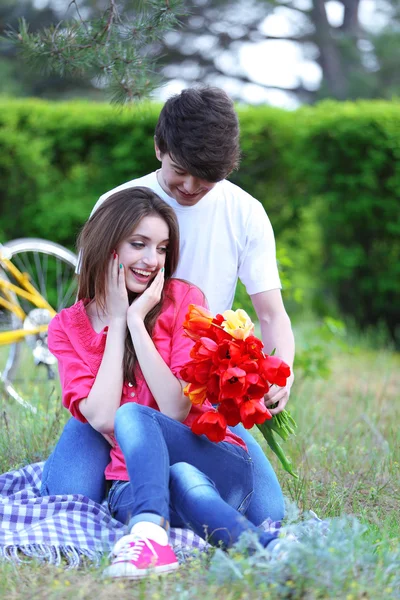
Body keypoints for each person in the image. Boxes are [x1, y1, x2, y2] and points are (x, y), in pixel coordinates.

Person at [42, 86, 294, 526]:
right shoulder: (119, 208)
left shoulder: (244, 213)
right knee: (69, 496)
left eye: (207, 177)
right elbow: (94, 317)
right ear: (160, 148)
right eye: (182, 171)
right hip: (118, 385)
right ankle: (129, 478)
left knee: (265, 511)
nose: (192, 186)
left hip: (191, 389)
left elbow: (271, 315)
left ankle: (154, 480)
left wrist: (280, 372)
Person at [47, 187, 280, 579]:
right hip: (131, 482)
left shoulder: (183, 299)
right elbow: (103, 417)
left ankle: (148, 533)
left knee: (143, 422)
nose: (152, 260)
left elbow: (175, 408)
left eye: (161, 248)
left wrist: (138, 322)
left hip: (208, 457)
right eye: (139, 244)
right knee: (177, 475)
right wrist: (118, 321)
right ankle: (261, 551)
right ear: (109, 246)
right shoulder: (68, 326)